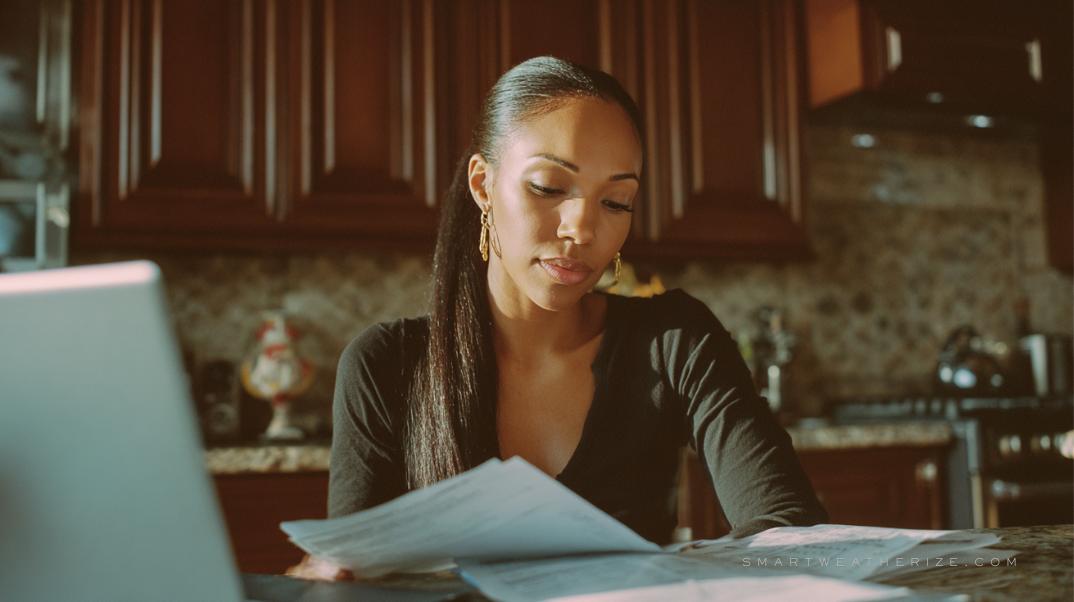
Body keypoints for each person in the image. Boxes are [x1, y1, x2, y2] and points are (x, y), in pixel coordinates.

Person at [288, 56, 826, 581]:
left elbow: (790, 530)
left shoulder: (674, 341)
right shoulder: (386, 366)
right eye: (548, 188)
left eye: (616, 201)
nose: (583, 228)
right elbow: (354, 576)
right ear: (482, 185)